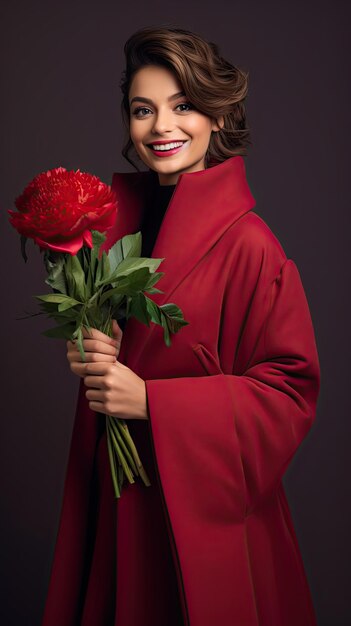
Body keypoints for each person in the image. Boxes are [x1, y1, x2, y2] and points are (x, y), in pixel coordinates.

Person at [41, 26, 321, 626]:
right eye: (144, 110)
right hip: (120, 503)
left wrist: (152, 402)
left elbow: (289, 393)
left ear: (219, 117)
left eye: (184, 105)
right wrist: (93, 352)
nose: (162, 126)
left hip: (197, 513)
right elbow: (130, 354)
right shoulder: (119, 226)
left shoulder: (253, 246)